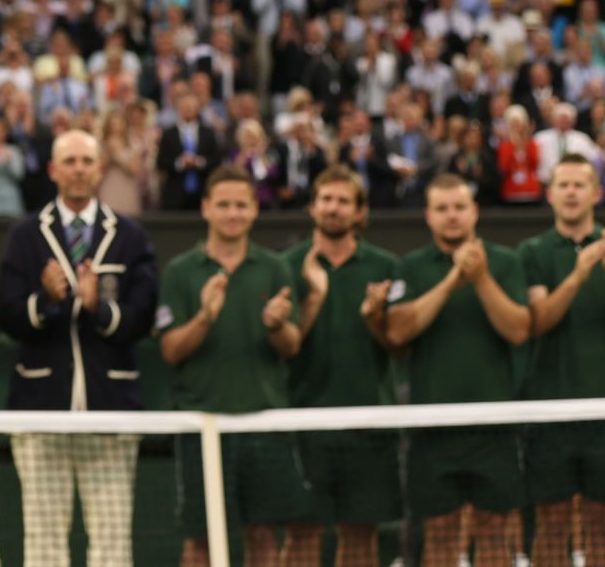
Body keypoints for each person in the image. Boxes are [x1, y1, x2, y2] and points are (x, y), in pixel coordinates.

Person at [0, 130, 158, 567]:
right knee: (44, 540)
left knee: (111, 541)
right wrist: (46, 302)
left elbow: (141, 318)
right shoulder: (25, 236)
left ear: (100, 169)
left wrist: (97, 308)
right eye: (69, 161)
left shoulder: (130, 236)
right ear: (53, 170)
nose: (78, 170)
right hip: (40, 409)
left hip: (110, 408)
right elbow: (10, 317)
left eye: (87, 161)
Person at [157, 165, 312, 567]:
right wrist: (205, 317)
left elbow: (292, 346)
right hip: (202, 428)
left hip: (264, 424)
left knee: (263, 537)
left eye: (241, 205)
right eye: (223, 205)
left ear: (254, 211)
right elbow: (171, 350)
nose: (232, 213)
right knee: (200, 542)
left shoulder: (275, 268)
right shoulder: (180, 271)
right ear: (206, 208)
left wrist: (277, 326)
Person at [386, 174, 532, 567]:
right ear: (428, 217)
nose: (452, 217)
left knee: (494, 532)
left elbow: (519, 329)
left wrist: (480, 277)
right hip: (432, 429)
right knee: (440, 533)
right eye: (442, 209)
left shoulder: (505, 261)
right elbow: (397, 330)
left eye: (459, 208)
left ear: (475, 212)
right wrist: (453, 278)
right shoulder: (412, 266)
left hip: (495, 427)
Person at [279, 166, 400, 567]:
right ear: (312, 207)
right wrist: (314, 295)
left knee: (360, 533)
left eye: (343, 201)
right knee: (302, 533)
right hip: (302, 422)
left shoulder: (386, 266)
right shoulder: (285, 266)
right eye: (326, 200)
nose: (334, 208)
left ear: (360, 213)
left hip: (368, 421)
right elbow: (283, 347)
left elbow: (399, 346)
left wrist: (375, 318)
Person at [517, 154, 605, 567]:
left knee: (601, 523)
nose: (571, 192)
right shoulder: (532, 252)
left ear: (596, 192)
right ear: (550, 194)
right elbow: (538, 322)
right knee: (551, 524)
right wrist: (580, 272)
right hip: (549, 409)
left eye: (579, 184)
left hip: (602, 413)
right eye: (563, 185)